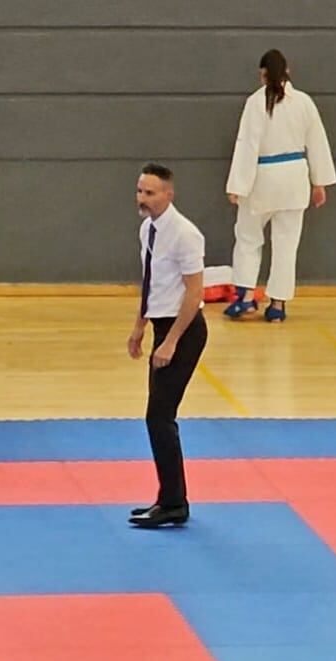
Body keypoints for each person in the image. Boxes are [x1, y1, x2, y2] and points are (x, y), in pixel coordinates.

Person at [224, 49, 336, 322]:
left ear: (263, 74)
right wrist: (319, 183)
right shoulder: (303, 102)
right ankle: (278, 306)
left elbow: (247, 145)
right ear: (288, 72)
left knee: (249, 237)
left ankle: (247, 297)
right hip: (295, 177)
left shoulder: (255, 102)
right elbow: (318, 143)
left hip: (262, 177)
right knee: (287, 244)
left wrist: (237, 185)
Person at [129, 164, 207, 529]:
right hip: (161, 326)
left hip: (184, 331)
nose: (142, 199)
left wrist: (171, 341)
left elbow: (195, 293)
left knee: (159, 417)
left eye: (150, 193)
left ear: (168, 195)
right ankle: (168, 498)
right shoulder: (148, 230)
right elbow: (152, 282)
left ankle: (175, 502)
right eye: (140, 191)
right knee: (157, 417)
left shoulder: (185, 235)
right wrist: (139, 326)